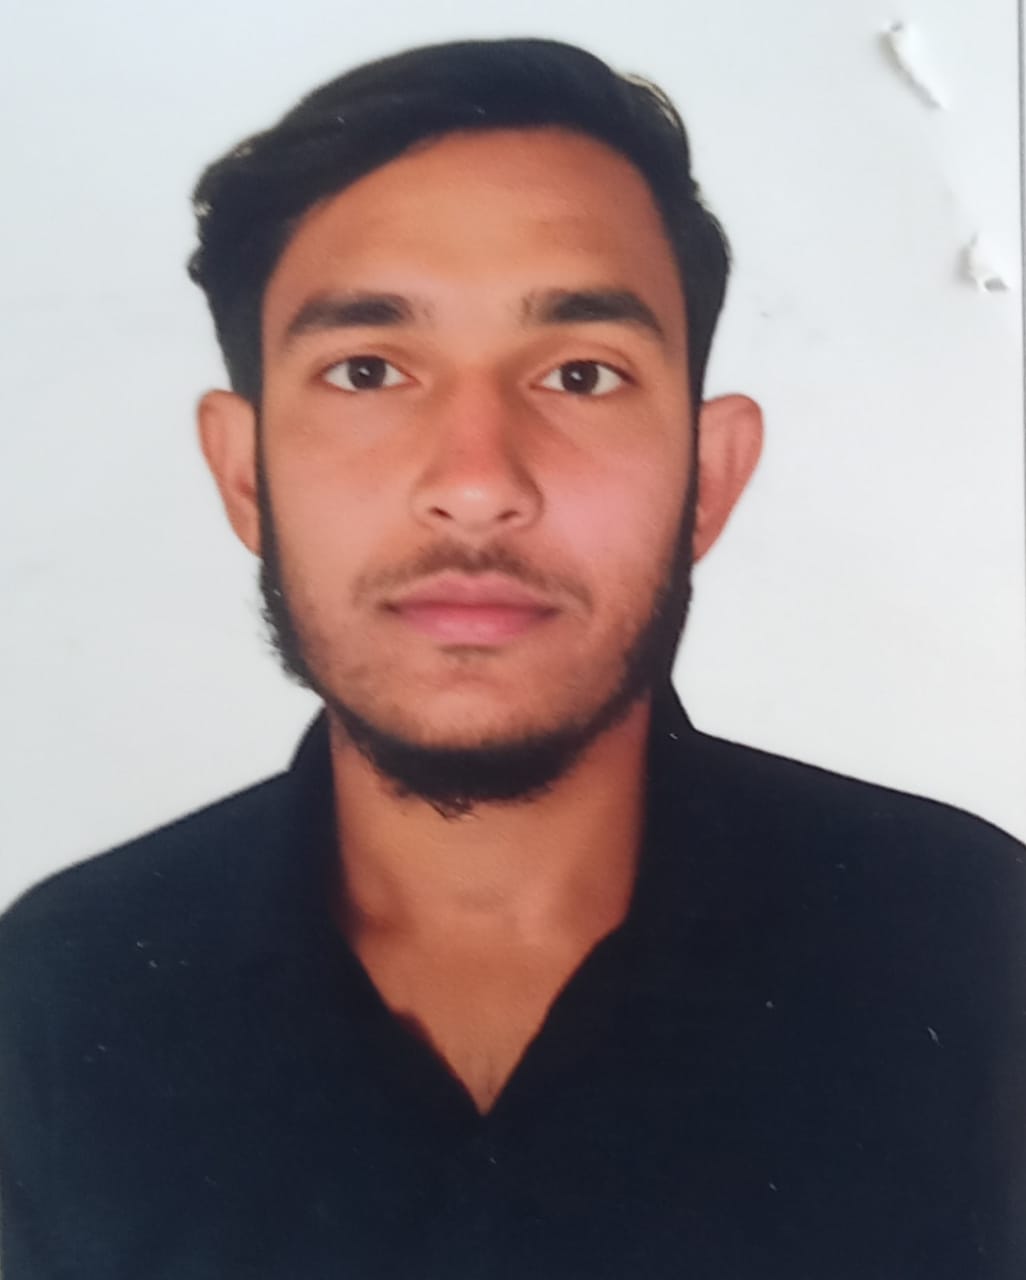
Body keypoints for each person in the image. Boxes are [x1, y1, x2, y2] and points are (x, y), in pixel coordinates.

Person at [0, 36, 1023, 1280]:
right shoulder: (57, 996)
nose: (478, 482)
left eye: (581, 374)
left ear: (708, 478)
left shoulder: (976, 950)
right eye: (368, 370)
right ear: (243, 474)